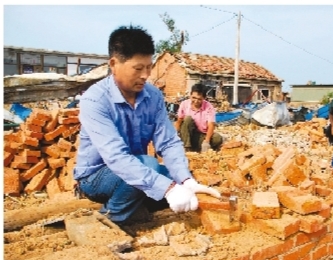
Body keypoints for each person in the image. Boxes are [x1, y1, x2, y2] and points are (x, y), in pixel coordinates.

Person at [73, 25, 220, 230]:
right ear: (114, 64)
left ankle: (137, 207)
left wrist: (185, 180)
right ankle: (108, 221)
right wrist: (167, 189)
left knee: (172, 178)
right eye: (138, 68)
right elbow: (116, 158)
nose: (145, 75)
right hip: (97, 177)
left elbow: (168, 141)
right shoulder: (95, 100)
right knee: (152, 170)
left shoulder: (153, 96)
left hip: (135, 169)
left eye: (149, 67)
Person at [175, 83, 223, 152]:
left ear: (204, 98)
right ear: (190, 95)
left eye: (199, 99)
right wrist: (174, 136)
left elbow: (211, 125)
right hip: (186, 135)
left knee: (217, 138)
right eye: (194, 98)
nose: (196, 101)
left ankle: (198, 148)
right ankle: (187, 148)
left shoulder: (208, 107)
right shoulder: (184, 104)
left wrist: (206, 141)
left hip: (200, 135)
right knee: (187, 119)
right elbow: (179, 121)